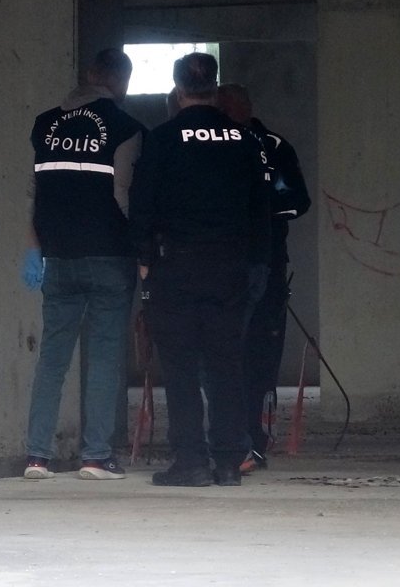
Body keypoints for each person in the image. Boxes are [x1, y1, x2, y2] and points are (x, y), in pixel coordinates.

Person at [129, 53, 271, 487]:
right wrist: (255, 262)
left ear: (177, 90)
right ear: (215, 87)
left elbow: (142, 204)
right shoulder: (244, 139)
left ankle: (190, 460)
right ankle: (228, 461)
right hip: (229, 266)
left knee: (181, 366)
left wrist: (143, 259)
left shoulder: (162, 139)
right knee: (227, 365)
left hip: (177, 266)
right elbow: (262, 208)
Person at [22, 48, 145, 481]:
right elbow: (122, 192)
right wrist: (142, 247)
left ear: (89, 75)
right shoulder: (126, 127)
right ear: (121, 82)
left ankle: (37, 457)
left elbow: (35, 191)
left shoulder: (44, 124)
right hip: (109, 253)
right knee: (104, 356)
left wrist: (33, 247)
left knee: (53, 358)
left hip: (57, 254)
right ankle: (95, 457)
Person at [215, 84, 311, 474]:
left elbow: (298, 200)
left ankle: (255, 439)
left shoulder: (273, 146)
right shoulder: (212, 144)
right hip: (220, 266)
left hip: (268, 265)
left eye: (227, 108)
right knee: (224, 355)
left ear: (245, 108)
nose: (223, 114)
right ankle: (226, 439)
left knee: (260, 358)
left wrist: (259, 210)